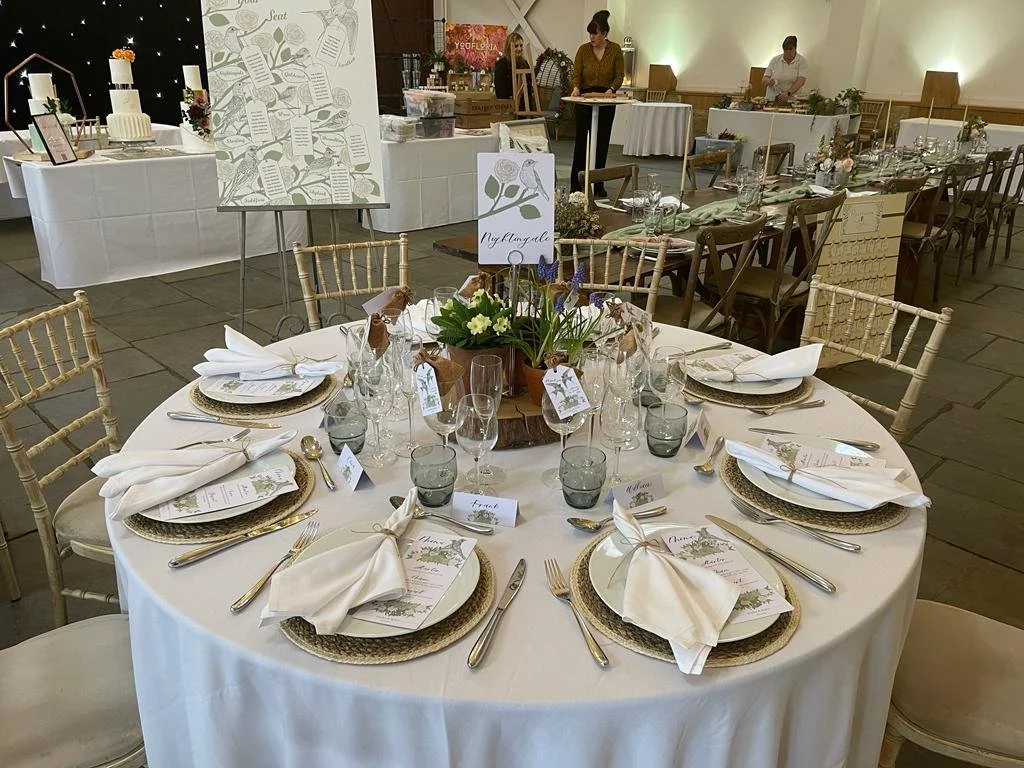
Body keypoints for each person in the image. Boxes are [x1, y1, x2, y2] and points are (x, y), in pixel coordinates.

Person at [569, 10, 625, 195]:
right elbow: (576, 73)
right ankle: (576, 184)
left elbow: (619, 75)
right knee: (581, 143)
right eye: (590, 34)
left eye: (595, 33)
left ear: (605, 34)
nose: (592, 37)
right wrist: (576, 87)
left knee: (602, 142)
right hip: (585, 98)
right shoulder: (583, 50)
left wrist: (612, 89)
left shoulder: (615, 50)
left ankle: (598, 184)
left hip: (606, 99)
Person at [762, 36, 808, 103]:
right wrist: (768, 81)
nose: (788, 52)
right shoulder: (775, 60)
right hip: (772, 98)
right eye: (785, 49)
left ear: (795, 48)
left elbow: (801, 81)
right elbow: (764, 78)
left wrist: (788, 93)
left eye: (790, 49)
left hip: (791, 100)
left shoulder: (802, 61)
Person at [493, 32, 531, 109]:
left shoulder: (524, 64)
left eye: (521, 45)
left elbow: (528, 87)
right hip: (508, 107)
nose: (519, 49)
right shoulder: (502, 65)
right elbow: (500, 92)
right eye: (516, 46)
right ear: (509, 47)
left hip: (524, 107)